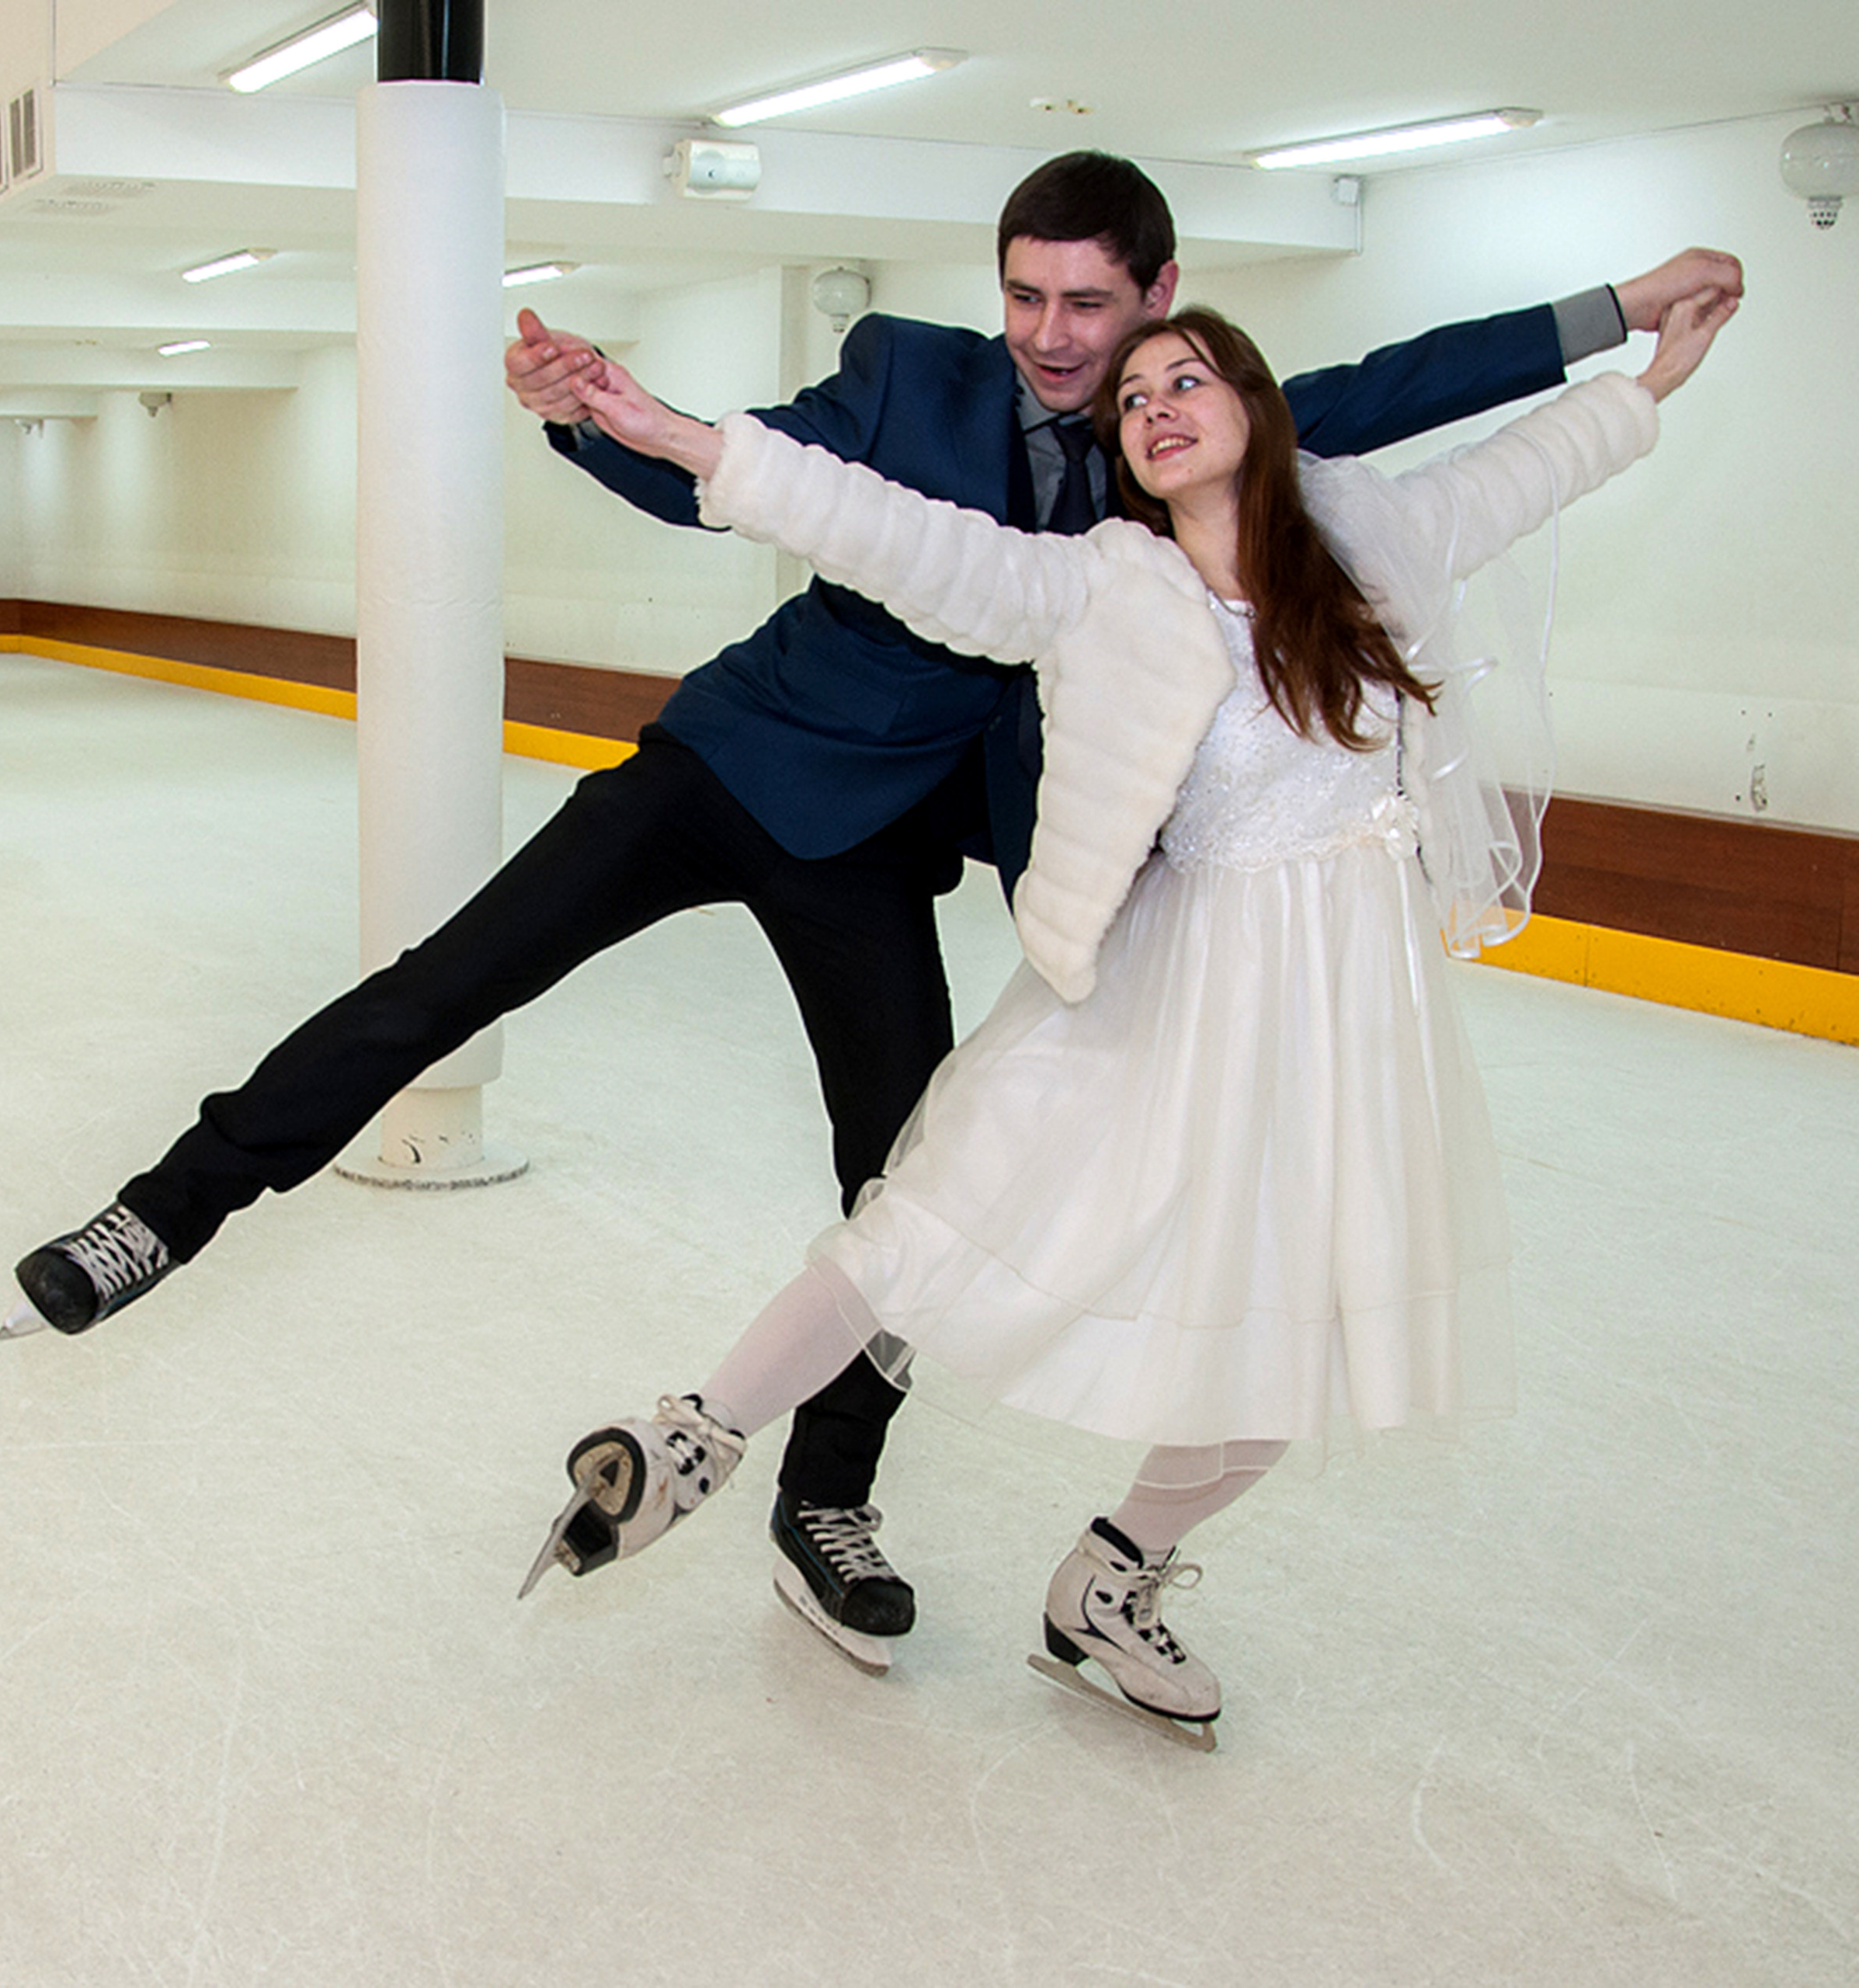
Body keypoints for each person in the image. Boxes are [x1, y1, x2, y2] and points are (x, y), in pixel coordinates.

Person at [3, 145, 1743, 1670]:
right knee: (454, 976)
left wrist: (1615, 320)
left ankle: (817, 1502)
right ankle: (167, 1208)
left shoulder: (1186, 463)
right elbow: (779, 477)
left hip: (879, 846)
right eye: (1024, 300)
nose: (1055, 339)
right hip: (741, 759)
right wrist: (597, 414)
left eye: (1089, 306)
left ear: (1158, 303)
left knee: (909, 1185)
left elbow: (1416, 391)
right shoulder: (911, 379)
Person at [517, 284, 1735, 1737]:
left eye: (1188, 378)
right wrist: (669, 431)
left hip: (1340, 1018)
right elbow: (885, 530)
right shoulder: (1099, 583)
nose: (1156, 406)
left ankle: (1115, 1576)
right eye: (1135, 396)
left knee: (1295, 1325)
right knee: (928, 1218)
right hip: (1156, 984)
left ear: (1256, 409)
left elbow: (1523, 471)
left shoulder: (1365, 541)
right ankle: (691, 1442)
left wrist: (1649, 375)